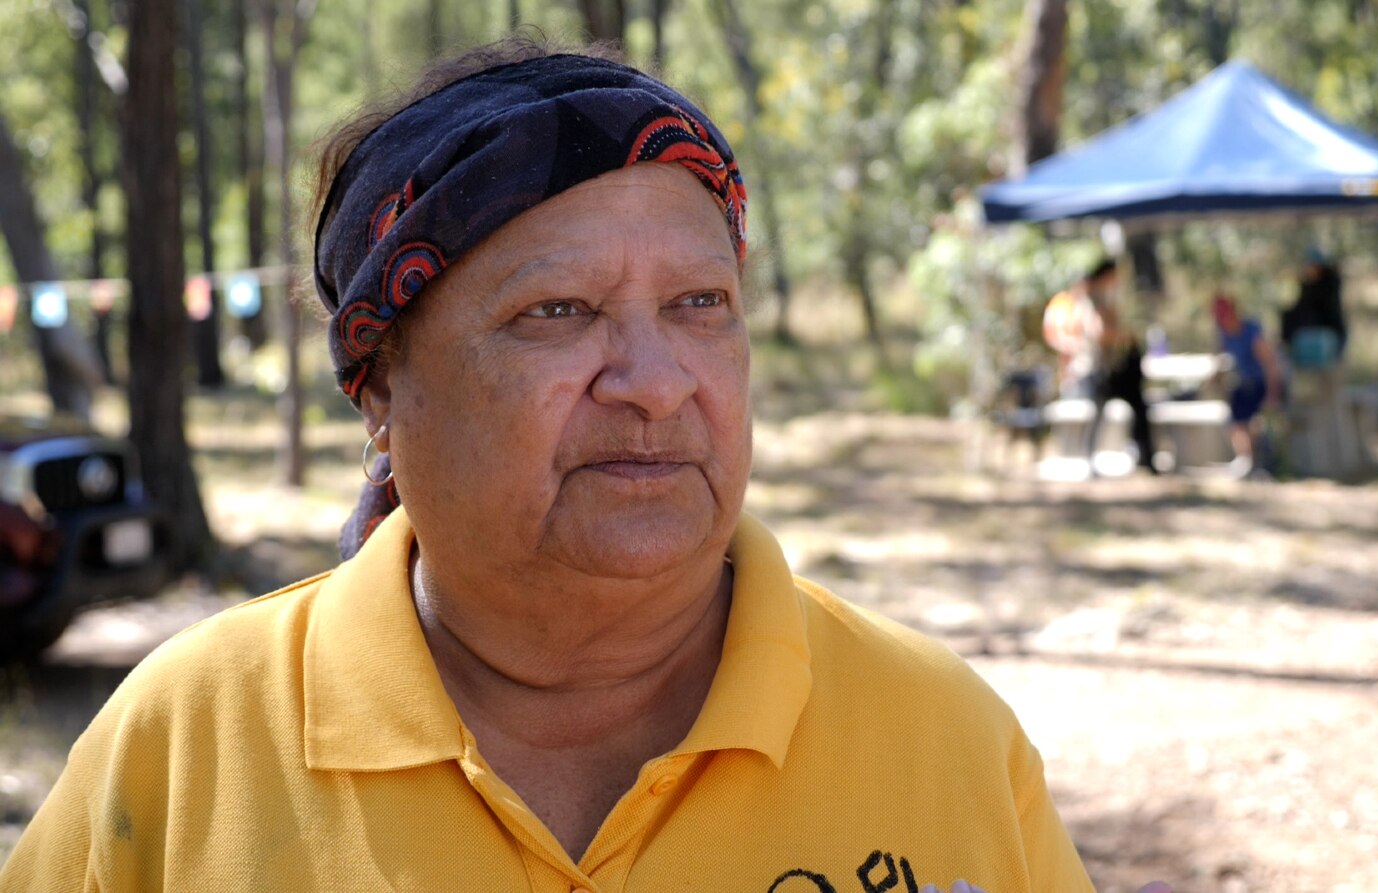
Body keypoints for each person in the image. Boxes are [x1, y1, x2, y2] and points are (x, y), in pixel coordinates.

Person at [2, 41, 1167, 893]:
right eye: (556, 310)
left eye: (699, 303)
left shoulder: (938, 735)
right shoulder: (187, 746)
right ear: (381, 388)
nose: (657, 380)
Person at [1043, 259, 1156, 473]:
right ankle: (1104, 456)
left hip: (1103, 367)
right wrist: (1125, 336)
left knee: (1123, 410)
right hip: (1099, 369)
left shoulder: (1095, 296)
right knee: (1110, 411)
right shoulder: (1093, 299)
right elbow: (1100, 332)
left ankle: (1139, 454)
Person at [1212, 293, 1282, 476]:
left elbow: (1270, 364)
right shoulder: (1225, 334)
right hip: (1242, 384)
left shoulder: (1252, 331)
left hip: (1261, 383)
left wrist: (1272, 394)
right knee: (1234, 422)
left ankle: (1262, 464)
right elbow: (1221, 358)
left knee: (1256, 424)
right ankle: (1245, 460)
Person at [1280, 247, 1346, 369]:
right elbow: (1299, 307)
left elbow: (1324, 306)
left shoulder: (1329, 283)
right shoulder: (1308, 284)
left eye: (1312, 265)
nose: (1309, 268)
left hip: (1328, 328)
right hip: (1309, 331)